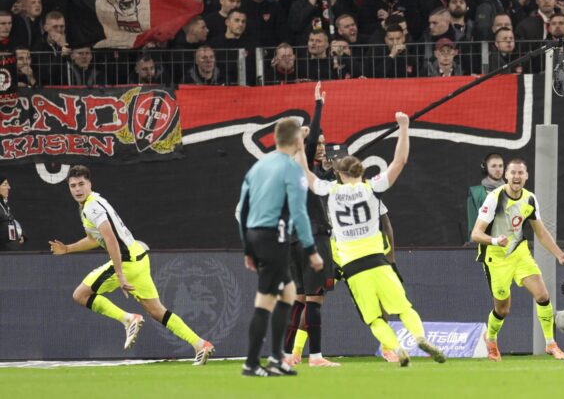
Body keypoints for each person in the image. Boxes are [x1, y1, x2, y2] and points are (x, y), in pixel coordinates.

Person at [299, 112, 447, 366]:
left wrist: (299, 145)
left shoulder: (331, 190)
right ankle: (420, 337)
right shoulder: (372, 188)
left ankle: (396, 348)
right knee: (404, 309)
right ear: (360, 170)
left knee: (374, 319)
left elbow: (304, 172)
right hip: (378, 261)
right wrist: (404, 127)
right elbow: (399, 161)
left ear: (339, 173)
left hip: (353, 265)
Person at [48, 166, 213, 363]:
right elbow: (93, 239)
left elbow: (110, 240)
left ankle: (128, 319)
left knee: (80, 295)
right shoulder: (89, 204)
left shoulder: (92, 207)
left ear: (90, 184)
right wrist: (68, 249)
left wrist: (119, 274)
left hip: (126, 261)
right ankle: (200, 344)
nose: (77, 189)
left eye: (81, 184)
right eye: (73, 186)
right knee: (156, 311)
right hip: (139, 257)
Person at [236, 117, 324, 377]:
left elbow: (243, 210)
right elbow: (299, 212)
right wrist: (311, 251)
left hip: (254, 235)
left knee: (287, 293)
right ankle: (252, 363)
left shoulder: (258, 167)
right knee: (265, 300)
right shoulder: (292, 170)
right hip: (274, 237)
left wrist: (247, 249)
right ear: (298, 141)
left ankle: (277, 358)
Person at [471, 158, 564, 361]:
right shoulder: (494, 198)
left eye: (520, 173)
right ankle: (490, 338)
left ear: (526, 176)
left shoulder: (530, 199)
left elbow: (541, 232)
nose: (516, 177)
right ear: (506, 175)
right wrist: (494, 240)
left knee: (542, 295)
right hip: (496, 258)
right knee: (503, 309)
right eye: (513, 173)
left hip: (519, 253)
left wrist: (559, 254)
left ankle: (550, 343)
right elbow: (475, 234)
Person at [283, 83, 339, 367]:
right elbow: (311, 135)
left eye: (322, 143)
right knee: (314, 300)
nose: (319, 145)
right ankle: (315, 356)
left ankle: (285, 354)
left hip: (294, 239)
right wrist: (318, 106)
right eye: (315, 143)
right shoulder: (300, 167)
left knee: (301, 300)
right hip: (313, 238)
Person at [466, 154, 504, 244]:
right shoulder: (475, 192)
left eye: (500, 166)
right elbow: (472, 224)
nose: (498, 169)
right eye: (493, 166)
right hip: (484, 244)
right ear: (485, 168)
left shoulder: (511, 191)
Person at [0, 176, 24, 250]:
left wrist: (21, 235)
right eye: (5, 184)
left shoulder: (4, 205)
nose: (9, 187)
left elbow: (11, 222)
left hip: (12, 252)